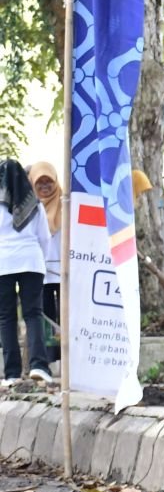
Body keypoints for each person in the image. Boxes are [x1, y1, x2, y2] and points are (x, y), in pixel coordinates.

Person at [0, 159, 52, 384]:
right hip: (32, 261)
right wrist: (42, 262)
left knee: (6, 317)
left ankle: (11, 374)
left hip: (3, 264)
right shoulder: (34, 204)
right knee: (33, 314)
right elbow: (45, 238)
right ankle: (39, 365)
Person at [26, 162, 63, 364]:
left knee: (66, 313)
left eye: (49, 181)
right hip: (41, 269)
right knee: (46, 315)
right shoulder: (29, 208)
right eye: (40, 182)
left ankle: (68, 355)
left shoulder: (66, 203)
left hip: (65, 269)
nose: (45, 186)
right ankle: (49, 356)